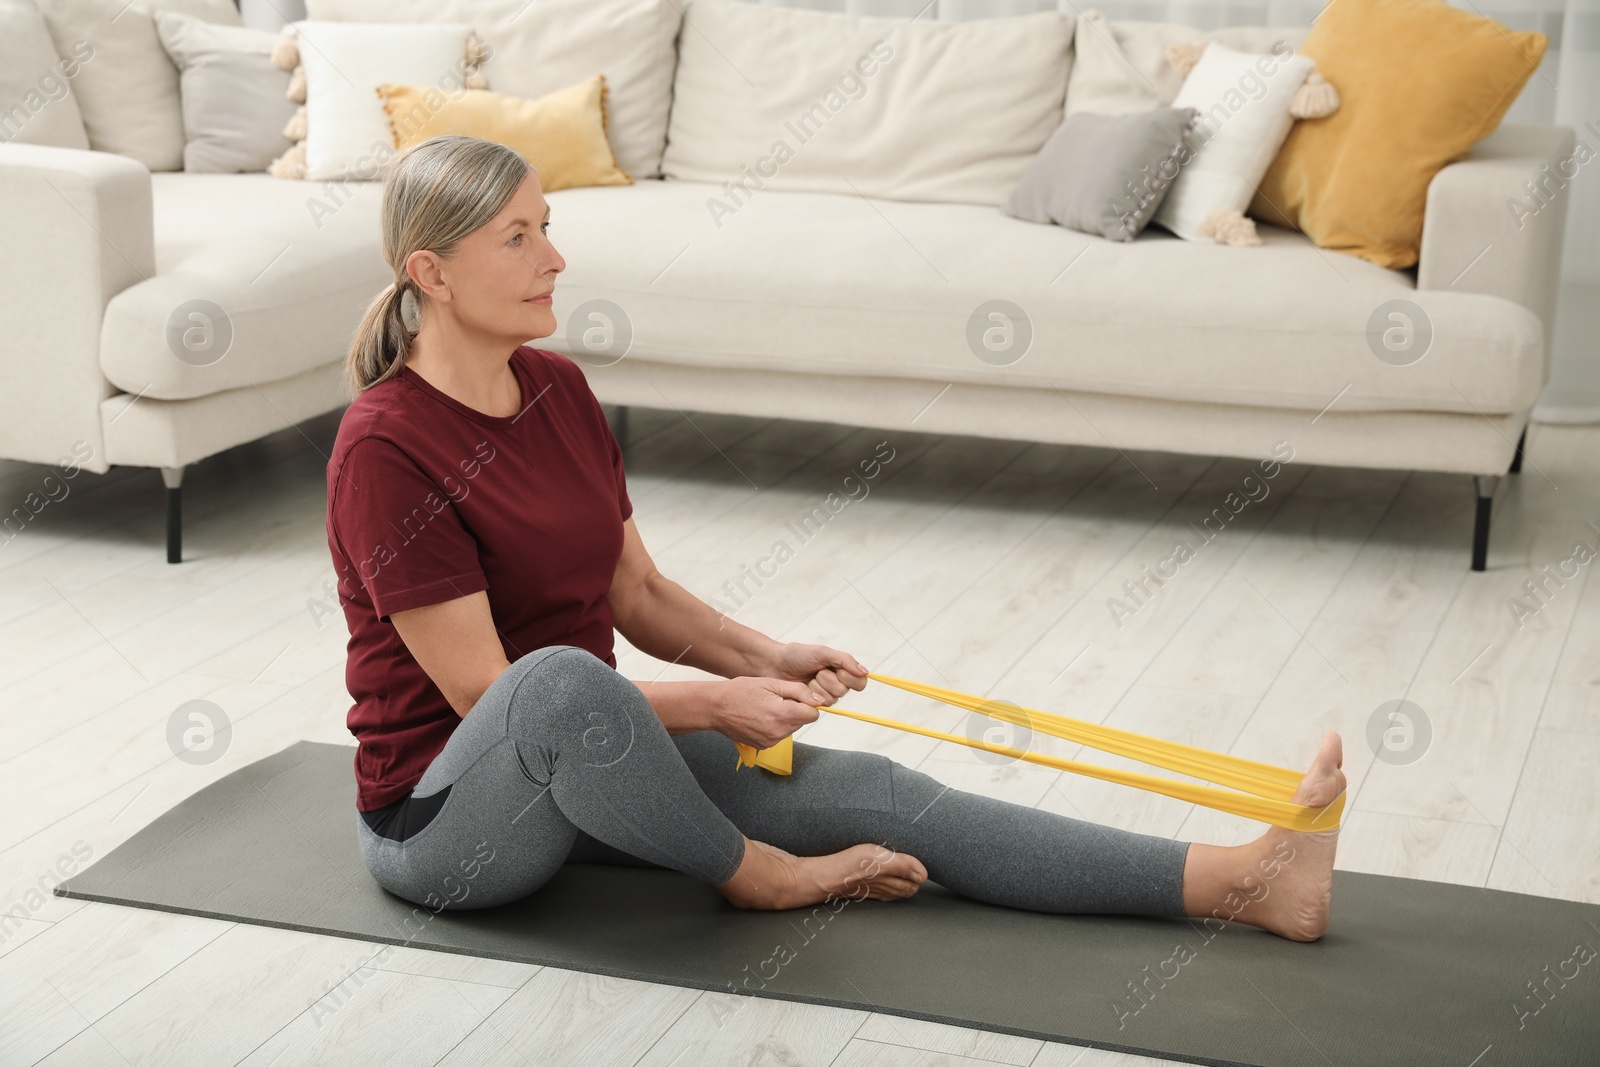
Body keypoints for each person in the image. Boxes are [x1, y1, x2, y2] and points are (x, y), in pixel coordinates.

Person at [326, 135, 1345, 941]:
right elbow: (489, 697)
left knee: (886, 796)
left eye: (547, 225)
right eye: (517, 237)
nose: (554, 256)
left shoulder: (557, 388)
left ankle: (1244, 883)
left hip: (599, 769)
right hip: (449, 825)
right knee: (550, 681)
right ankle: (759, 879)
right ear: (434, 270)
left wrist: (762, 656)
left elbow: (633, 593)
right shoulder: (386, 448)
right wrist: (720, 704)